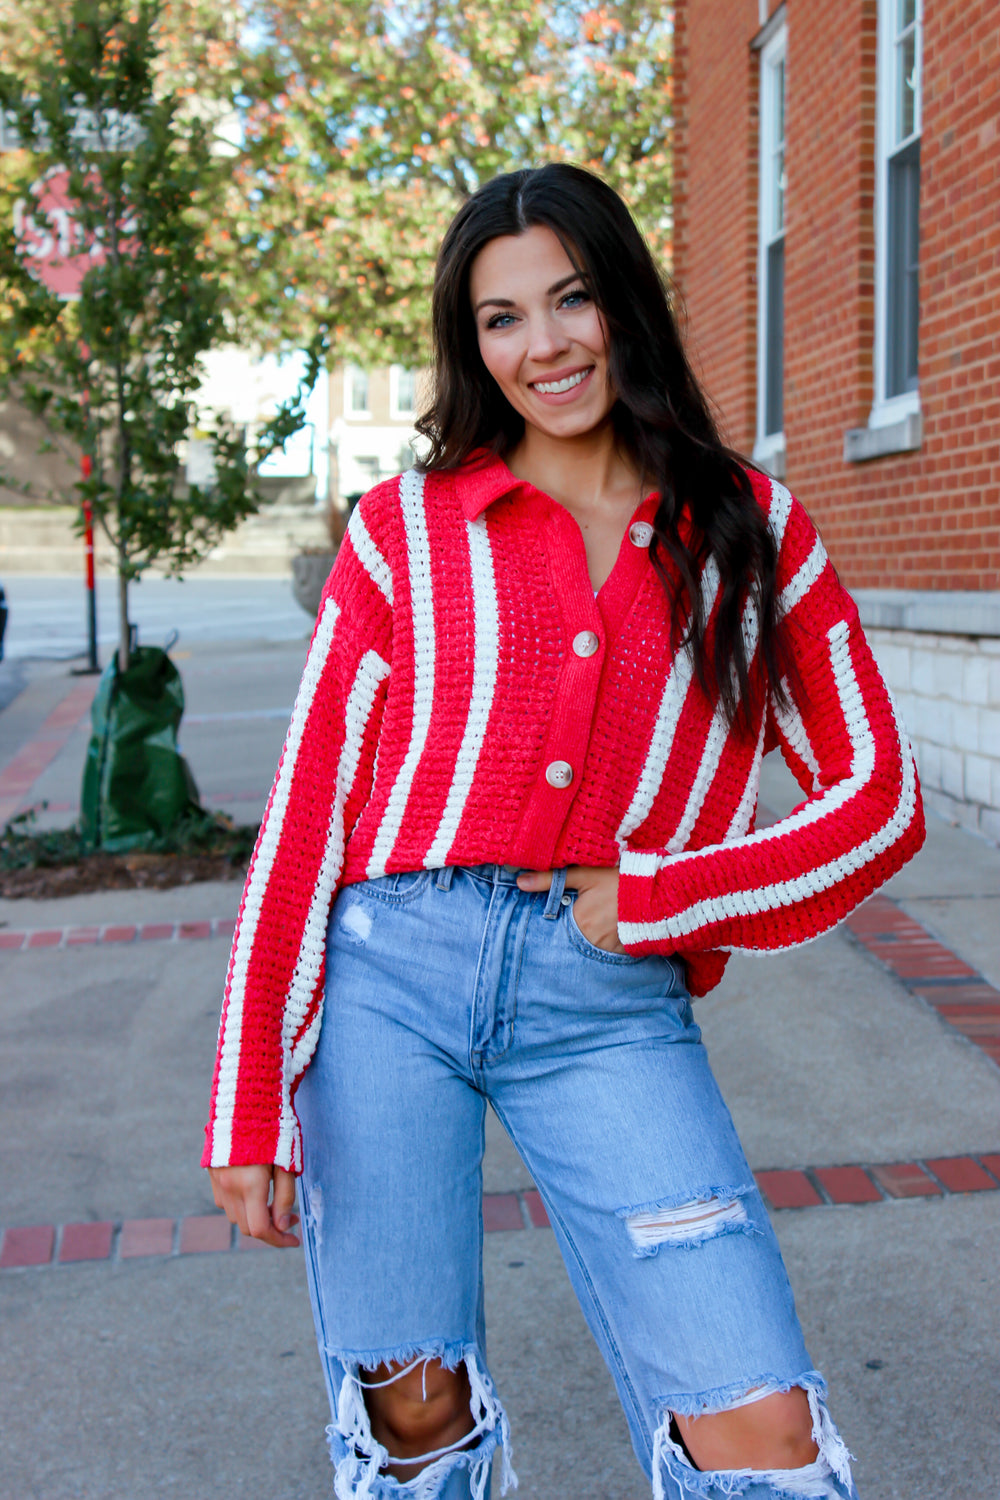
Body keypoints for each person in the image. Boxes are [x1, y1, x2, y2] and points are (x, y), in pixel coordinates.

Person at [205, 164, 924, 1500]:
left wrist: (659, 898)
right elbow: (307, 821)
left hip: (608, 1003)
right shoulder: (402, 537)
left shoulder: (751, 537)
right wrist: (252, 1094)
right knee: (411, 1420)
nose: (544, 345)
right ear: (470, 345)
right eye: (501, 318)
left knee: (758, 1426)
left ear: (624, 305)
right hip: (387, 991)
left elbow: (879, 798)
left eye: (572, 299)